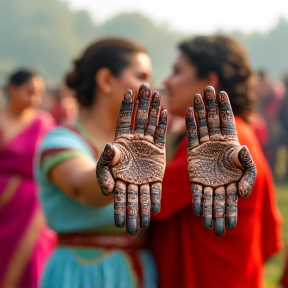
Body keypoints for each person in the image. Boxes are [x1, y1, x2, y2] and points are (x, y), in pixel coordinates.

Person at [149, 35, 283, 288]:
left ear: (210, 82)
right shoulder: (239, 131)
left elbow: (148, 202)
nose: (167, 81)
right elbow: (270, 234)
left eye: (177, 72)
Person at [34, 38, 159, 288]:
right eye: (141, 76)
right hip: (82, 273)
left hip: (140, 269)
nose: (151, 89)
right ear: (105, 81)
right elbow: (84, 188)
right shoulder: (61, 141)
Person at [0, 69, 56, 288]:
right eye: (29, 92)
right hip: (4, 205)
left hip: (33, 207)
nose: (35, 99)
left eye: (39, 93)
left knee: (33, 261)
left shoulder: (44, 122)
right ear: (12, 89)